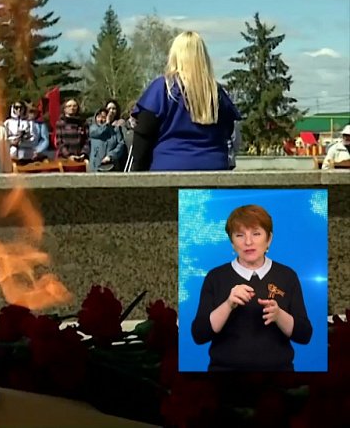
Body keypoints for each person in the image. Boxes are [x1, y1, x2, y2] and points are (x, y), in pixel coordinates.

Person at [191, 205, 312, 371]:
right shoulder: (215, 277)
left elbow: (304, 335)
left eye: (256, 234)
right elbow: (199, 335)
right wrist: (227, 305)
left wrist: (278, 315)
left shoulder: (287, 276)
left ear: (269, 239)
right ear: (232, 242)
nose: (248, 242)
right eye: (240, 235)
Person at [128, 31, 242, 171]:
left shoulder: (162, 88)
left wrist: (138, 173)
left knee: (182, 193)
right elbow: (229, 131)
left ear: (175, 55)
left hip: (170, 172)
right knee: (196, 194)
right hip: (213, 170)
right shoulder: (216, 92)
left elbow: (143, 135)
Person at [88, 107, 126, 172]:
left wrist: (111, 156)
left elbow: (121, 144)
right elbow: (99, 133)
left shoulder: (115, 130)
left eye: (103, 117)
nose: (101, 120)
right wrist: (106, 124)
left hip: (112, 164)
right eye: (99, 117)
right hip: (96, 165)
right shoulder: (93, 129)